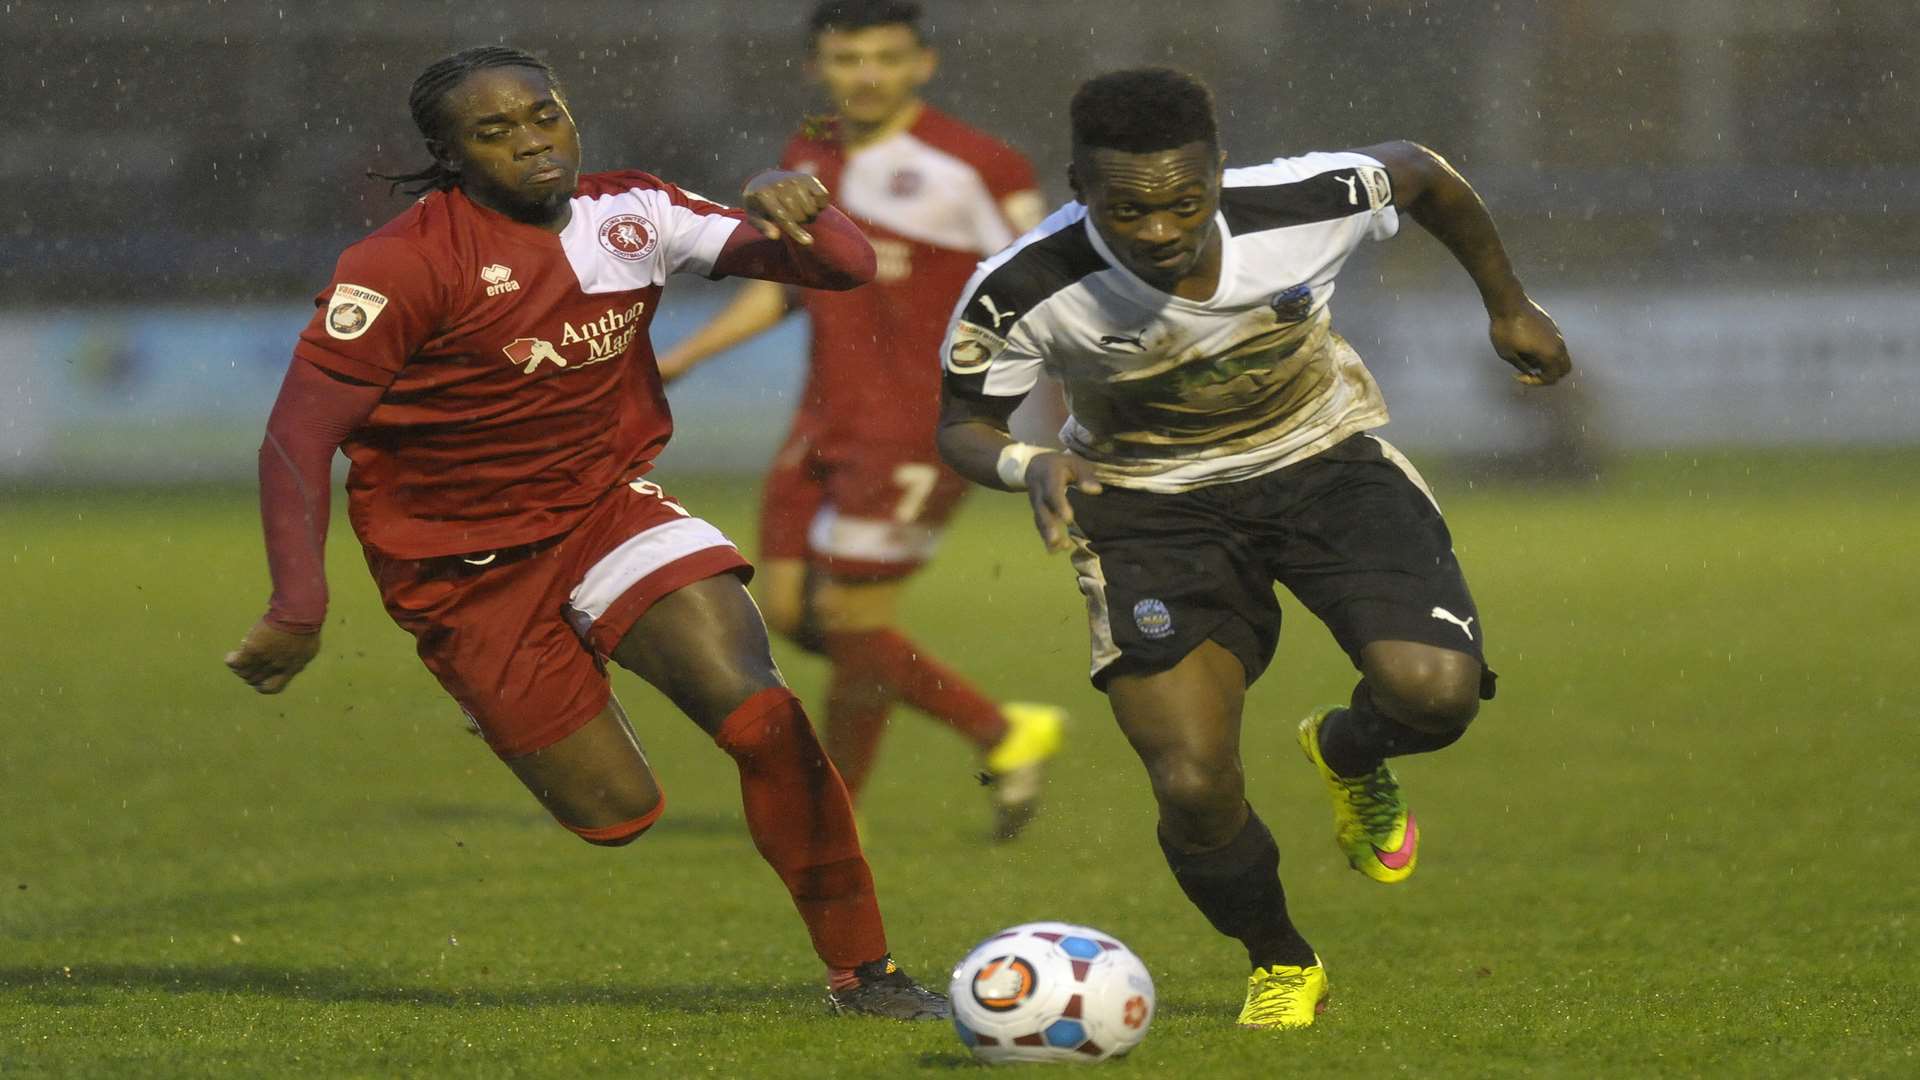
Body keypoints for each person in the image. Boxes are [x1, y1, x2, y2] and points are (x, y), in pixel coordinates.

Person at [220, 45, 950, 1020]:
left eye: (542, 115)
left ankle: (868, 977)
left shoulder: (633, 211)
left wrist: (802, 203)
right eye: (495, 132)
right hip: (462, 568)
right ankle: (505, 684)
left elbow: (845, 269)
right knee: (618, 816)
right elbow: (298, 436)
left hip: (604, 508)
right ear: (450, 153)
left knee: (764, 718)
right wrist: (298, 604)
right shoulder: (402, 264)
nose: (532, 143)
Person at [934, 68, 1572, 1029]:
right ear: (1079, 188)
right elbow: (959, 425)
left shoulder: (1302, 202)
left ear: (1219, 174)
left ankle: (1348, 750)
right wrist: (1026, 461)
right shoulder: (1022, 287)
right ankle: (1281, 960)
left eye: (1184, 203)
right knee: (1191, 782)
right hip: (1147, 511)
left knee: (1434, 699)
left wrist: (1508, 304)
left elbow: (1426, 174)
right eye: (1128, 209)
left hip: (1325, 469)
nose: (1159, 230)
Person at [657, 0, 1063, 840]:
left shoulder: (979, 166)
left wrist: (1052, 434)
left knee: (851, 624)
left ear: (925, 63)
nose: (867, 76)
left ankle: (831, 810)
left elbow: (1052, 290)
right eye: (849, 60)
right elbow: (782, 290)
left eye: (886, 57)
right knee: (793, 614)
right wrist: (674, 363)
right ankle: (1001, 732)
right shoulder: (808, 156)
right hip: (822, 419)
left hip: (920, 428)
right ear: (819, 68)